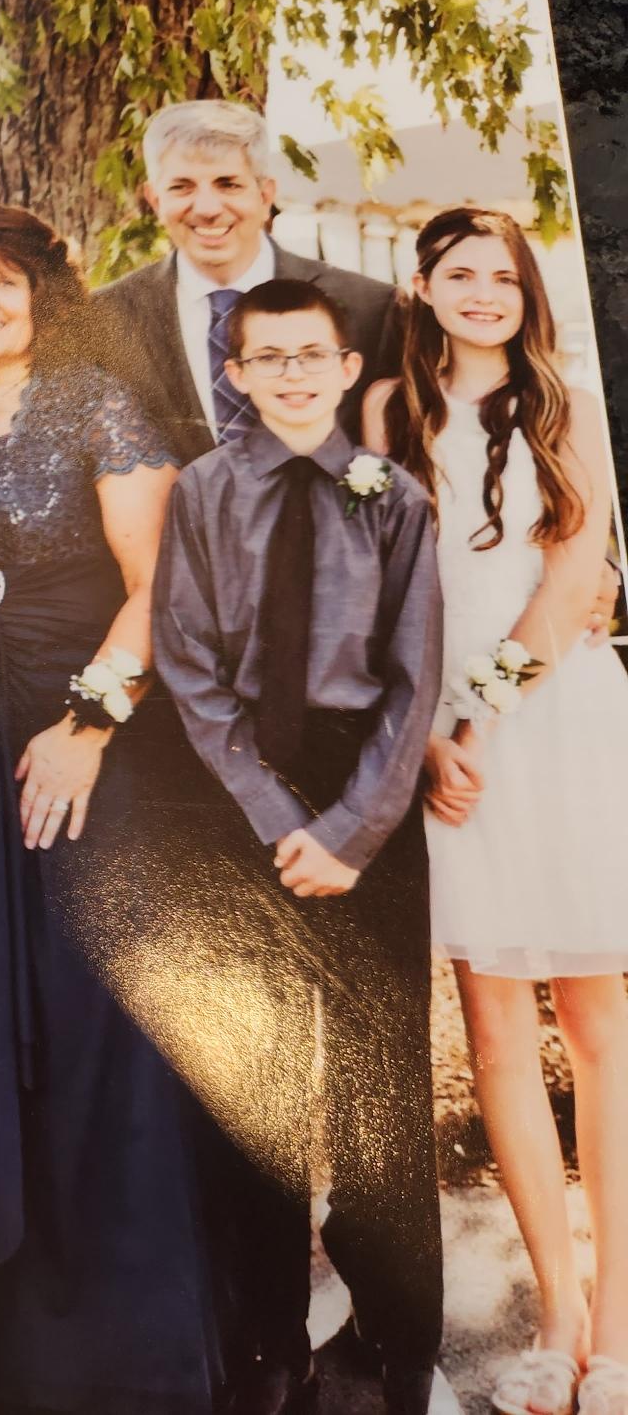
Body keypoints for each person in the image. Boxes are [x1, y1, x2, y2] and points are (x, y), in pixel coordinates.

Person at [0, 202, 221, 1412]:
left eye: (2, 284)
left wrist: (85, 728)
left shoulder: (95, 401)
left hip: (62, 750)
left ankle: (112, 1352)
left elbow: (155, 587)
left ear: (43, 294)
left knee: (81, 1024)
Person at [154, 278, 445, 1415]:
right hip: (240, 806)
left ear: (340, 369)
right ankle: (265, 1339)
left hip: (364, 801)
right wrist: (278, 821)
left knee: (376, 1083)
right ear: (232, 373)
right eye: (262, 357)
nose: (285, 374)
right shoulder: (201, 492)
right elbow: (186, 666)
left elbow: (412, 681)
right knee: (255, 1081)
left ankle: (393, 1338)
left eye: (305, 356)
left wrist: (349, 832)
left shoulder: (391, 498)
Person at [363, 208, 628, 1415]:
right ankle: (552, 1318)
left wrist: (474, 720)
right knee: (493, 1036)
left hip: (554, 727)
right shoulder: (380, 418)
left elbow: (582, 578)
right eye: (458, 274)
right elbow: (360, 598)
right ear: (419, 287)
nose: (483, 293)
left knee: (597, 1028)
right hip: (444, 756)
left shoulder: (566, 406)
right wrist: (418, 738)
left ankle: (615, 1330)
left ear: (527, 295)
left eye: (502, 277)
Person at [93, 98, 396, 459]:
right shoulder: (103, 319)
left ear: (265, 194)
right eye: (182, 187)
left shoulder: (370, 308)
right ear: (155, 200)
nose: (207, 208)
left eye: (228, 184)